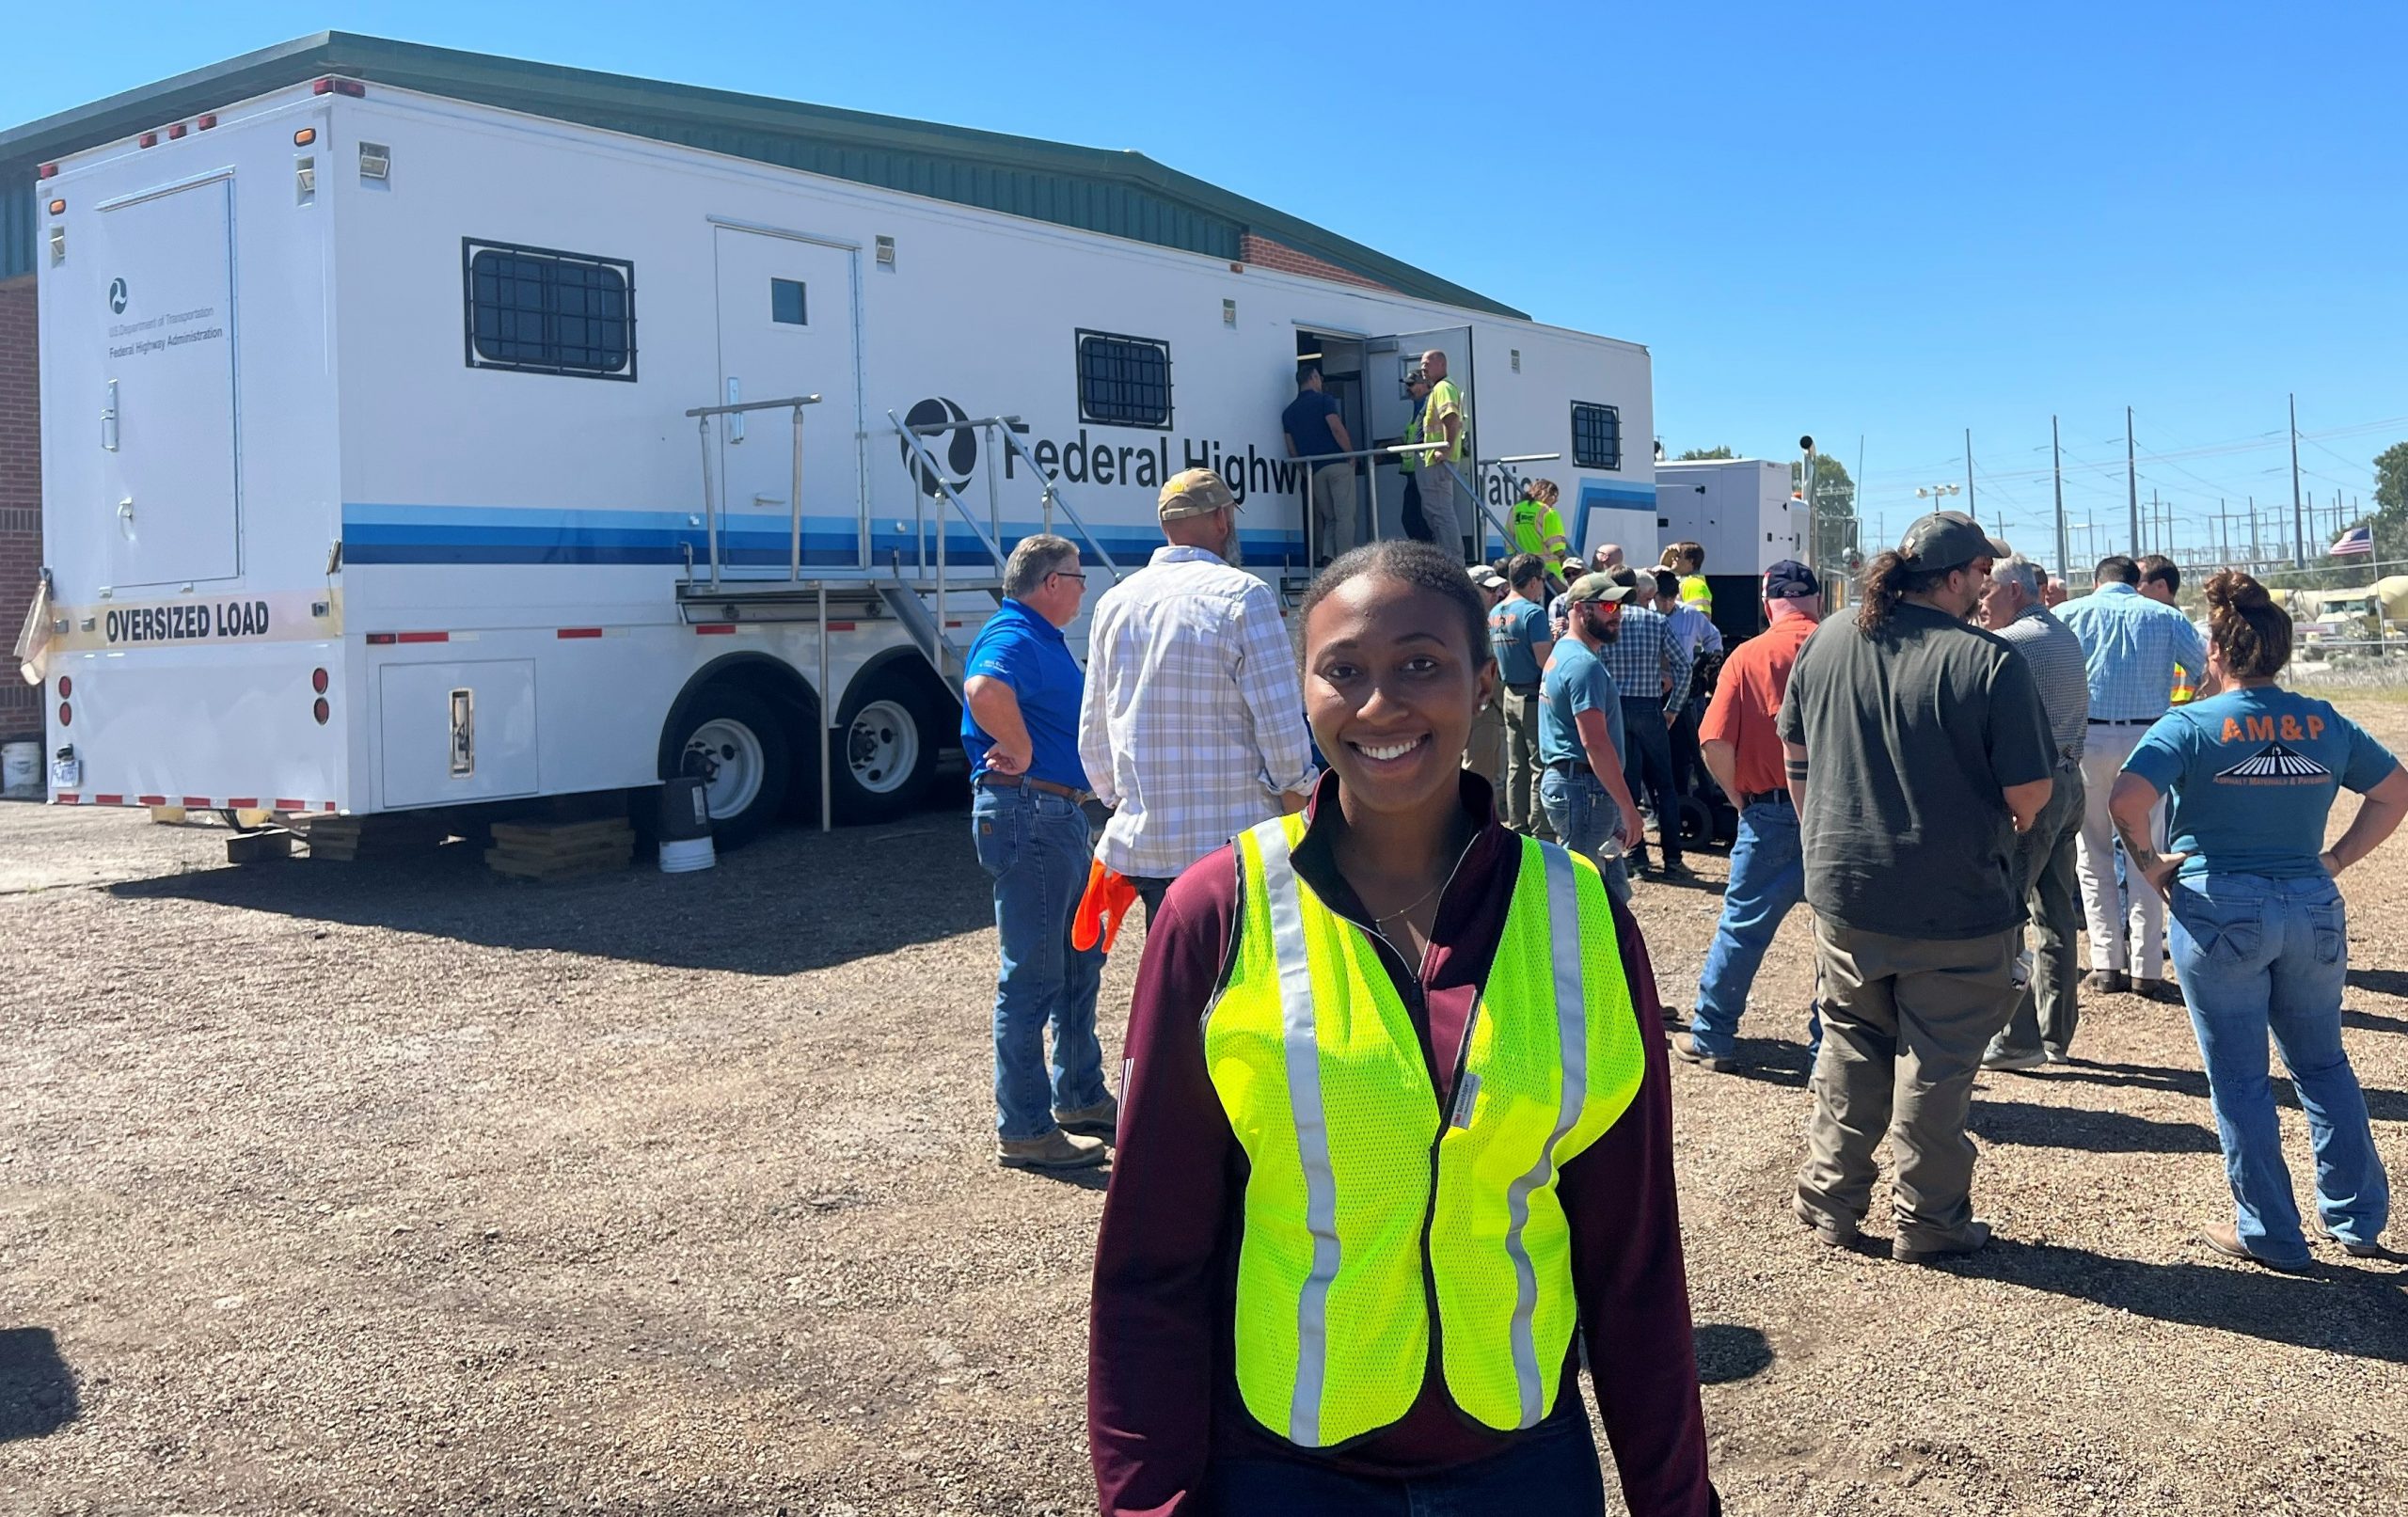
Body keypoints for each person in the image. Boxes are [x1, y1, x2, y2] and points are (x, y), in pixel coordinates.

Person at [1089, 539, 1719, 1517]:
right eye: (1343, 670)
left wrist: (1675, 1500)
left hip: (1523, 1466)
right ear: (1302, 689)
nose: (1379, 703)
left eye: (1419, 664)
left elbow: (1632, 1255)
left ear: (1480, 684)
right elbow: (1151, 1257)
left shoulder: (1584, 917)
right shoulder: (1219, 912)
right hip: (1279, 1469)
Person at [2111, 570, 2407, 1269]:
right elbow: (2395, 792)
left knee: (2241, 1079)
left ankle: (2272, 1232)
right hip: (2310, 903)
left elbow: (2126, 798)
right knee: (2323, 1062)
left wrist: (2150, 864)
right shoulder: (2326, 720)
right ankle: (2357, 1219)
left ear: (2215, 650)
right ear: (2282, 650)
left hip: (2220, 910)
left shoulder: (2189, 722)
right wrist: (2333, 860)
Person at [1781, 513, 2054, 1263]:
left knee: (1850, 1041)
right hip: (1956, 903)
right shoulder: (1988, 662)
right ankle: (1930, 1219)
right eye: (1982, 572)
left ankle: (1829, 1198)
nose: (1988, 585)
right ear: (1957, 576)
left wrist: (1825, 841)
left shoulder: (1830, 637)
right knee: (1935, 1063)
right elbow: (2030, 791)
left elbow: (1795, 756)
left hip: (1845, 891)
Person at [1080, 468, 1317, 919]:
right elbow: (1281, 724)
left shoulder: (1114, 602)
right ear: (1223, 520)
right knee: (1244, 982)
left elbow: (1094, 734)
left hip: (1148, 845)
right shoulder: (1246, 595)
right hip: (1235, 849)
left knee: (1176, 978)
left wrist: (1125, 799)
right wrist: (1297, 795)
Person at [962, 534, 1116, 1169]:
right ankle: (1024, 1125)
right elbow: (982, 687)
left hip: (1054, 813)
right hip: (1032, 810)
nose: (1084, 587)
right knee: (1034, 976)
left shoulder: (1037, 638)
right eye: (1078, 577)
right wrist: (1021, 750)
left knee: (1079, 962)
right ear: (1051, 582)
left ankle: (1077, 1093)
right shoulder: (1015, 634)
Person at [1674, 561, 1822, 1073]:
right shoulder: (1848, 650)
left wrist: (1739, 798)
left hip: (1771, 813)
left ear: (1767, 605)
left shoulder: (1748, 656)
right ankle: (1829, 1051)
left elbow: (1714, 740)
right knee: (1841, 938)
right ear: (1817, 601)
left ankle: (1713, 1036)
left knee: (1742, 929)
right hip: (1840, 815)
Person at [2057, 555, 2209, 998]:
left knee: (2094, 853)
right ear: (2133, 583)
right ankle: (2147, 967)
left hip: (2088, 736)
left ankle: (2107, 963)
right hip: (2150, 737)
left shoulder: (2068, 614)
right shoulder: (2166, 617)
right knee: (2148, 850)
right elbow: (2208, 670)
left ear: (2097, 581)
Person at [1976, 555, 2093, 1072]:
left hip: (2036, 790)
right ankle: (2056, 1033)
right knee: (2056, 913)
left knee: (2007, 910)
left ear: (2016, 593)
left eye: (1989, 592)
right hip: (2070, 781)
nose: (1981, 601)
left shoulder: (2010, 644)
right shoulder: (2063, 635)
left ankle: (2017, 1034)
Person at [1540, 572, 1647, 907]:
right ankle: (1581, 957)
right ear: (1579, 609)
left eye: (1619, 607)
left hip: (1581, 786)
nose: (1617, 614)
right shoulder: (1583, 665)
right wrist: (1629, 808)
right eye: (1608, 605)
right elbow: (1595, 743)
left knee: (1611, 892)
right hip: (1584, 789)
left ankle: (1615, 953)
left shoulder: (1566, 653)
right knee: (1581, 896)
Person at [1597, 566, 1693, 875]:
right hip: (1650, 708)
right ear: (1639, 592)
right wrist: (1674, 708)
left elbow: (1596, 667)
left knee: (1627, 787)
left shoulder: (1609, 623)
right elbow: (1683, 666)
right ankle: (1673, 859)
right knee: (1664, 785)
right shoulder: (1656, 622)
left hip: (1616, 708)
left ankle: (1637, 857)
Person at [1490, 553, 1557, 836]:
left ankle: (1518, 826)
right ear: (1532, 581)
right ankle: (1541, 831)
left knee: (1516, 768)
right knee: (1540, 767)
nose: (1542, 586)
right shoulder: (1533, 613)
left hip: (1509, 695)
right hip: (1532, 696)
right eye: (1541, 580)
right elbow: (1546, 662)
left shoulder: (1495, 614)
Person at [1654, 568, 1724, 804]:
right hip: (1655, 690)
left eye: (1671, 598)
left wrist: (1705, 664)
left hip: (1684, 690)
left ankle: (1687, 795)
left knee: (1688, 749)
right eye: (1662, 598)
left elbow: (1713, 640)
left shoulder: (1690, 616)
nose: (1666, 603)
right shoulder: (1647, 617)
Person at [1284, 364, 1358, 563]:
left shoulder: (1289, 412)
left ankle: (1327, 557)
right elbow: (1335, 427)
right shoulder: (1325, 400)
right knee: (1345, 516)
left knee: (1330, 518)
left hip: (1315, 470)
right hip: (1337, 465)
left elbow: (1291, 449)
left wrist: (1305, 471)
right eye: (1319, 378)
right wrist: (1351, 454)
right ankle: (1346, 562)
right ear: (1314, 378)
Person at [1417, 349, 1470, 560]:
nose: (1423, 369)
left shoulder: (1443, 388)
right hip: (1434, 459)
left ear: (1441, 364)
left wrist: (1446, 448)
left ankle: (1453, 560)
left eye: (1427, 364)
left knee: (1441, 512)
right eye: (1422, 365)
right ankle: (1447, 557)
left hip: (1439, 461)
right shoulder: (1439, 388)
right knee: (1434, 512)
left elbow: (1451, 418)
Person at [1464, 564, 1510, 788]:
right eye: (1490, 590)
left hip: (1483, 706)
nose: (1497, 595)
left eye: (1498, 590)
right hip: (1480, 706)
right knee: (1478, 773)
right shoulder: (1468, 623)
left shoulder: (1478, 621)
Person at [2137, 555, 2196, 703]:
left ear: (2160, 586)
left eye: (2136, 582)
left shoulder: (2181, 632)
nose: (2130, 589)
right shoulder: (2185, 630)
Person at [1399, 369, 1433, 543]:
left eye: (1411, 384)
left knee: (1418, 517)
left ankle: (1428, 552)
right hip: (1413, 471)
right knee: (1412, 517)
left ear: (1424, 385)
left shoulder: (1428, 403)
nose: (1407, 388)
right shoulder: (1417, 406)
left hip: (1423, 469)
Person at [1508, 478, 1573, 563]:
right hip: (1548, 568)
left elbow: (1509, 541)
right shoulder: (1548, 512)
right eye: (1554, 496)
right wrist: (1564, 559)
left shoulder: (1515, 510)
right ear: (1545, 494)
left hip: (1523, 566)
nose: (1556, 500)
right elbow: (1556, 545)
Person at [1664, 542, 1711, 617]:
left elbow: (1701, 619)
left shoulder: (1694, 584)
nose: (1673, 559)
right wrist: (1667, 552)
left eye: (1678, 556)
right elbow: (1662, 572)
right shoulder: (1682, 582)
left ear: (1690, 561)